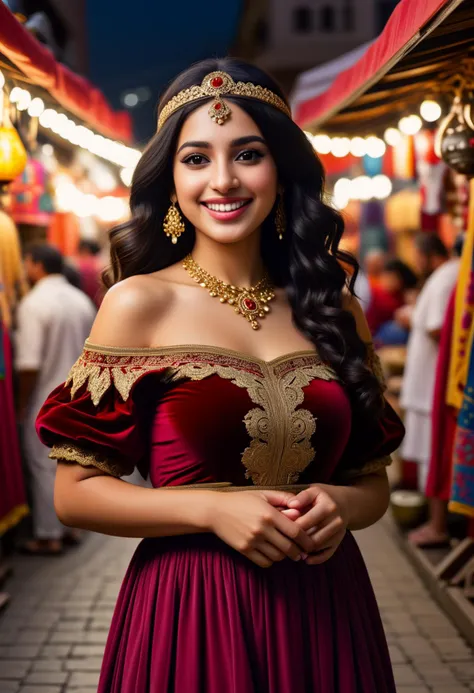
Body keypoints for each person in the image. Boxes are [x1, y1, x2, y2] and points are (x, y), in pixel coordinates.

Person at [36, 58, 404, 693]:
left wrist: (341, 505)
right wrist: (211, 510)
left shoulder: (333, 307)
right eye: (197, 158)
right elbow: (74, 493)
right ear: (170, 179)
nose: (224, 180)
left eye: (248, 154)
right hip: (189, 612)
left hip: (327, 607)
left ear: (282, 171)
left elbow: (371, 484)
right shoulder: (138, 304)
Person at [16, 243, 96, 555]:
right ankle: (71, 527)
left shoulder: (34, 303)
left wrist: (22, 403)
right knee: (74, 461)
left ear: (36, 265)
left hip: (47, 395)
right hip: (82, 394)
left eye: (27, 262)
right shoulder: (80, 300)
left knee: (42, 464)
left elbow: (28, 363)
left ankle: (49, 534)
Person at [400, 234, 460, 494]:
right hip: (428, 375)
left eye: (417, 254)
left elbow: (437, 327)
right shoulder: (445, 275)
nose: (415, 260)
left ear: (429, 254)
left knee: (431, 451)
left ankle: (436, 521)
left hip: (433, 377)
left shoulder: (447, 276)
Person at [366, 258, 417, 338]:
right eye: (385, 277)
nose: (387, 281)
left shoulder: (404, 295)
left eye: (392, 278)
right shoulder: (374, 292)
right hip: (376, 332)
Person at [75, 239, 104, 308]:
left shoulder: (78, 265)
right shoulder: (102, 265)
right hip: (101, 306)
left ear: (85, 250)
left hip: (83, 305)